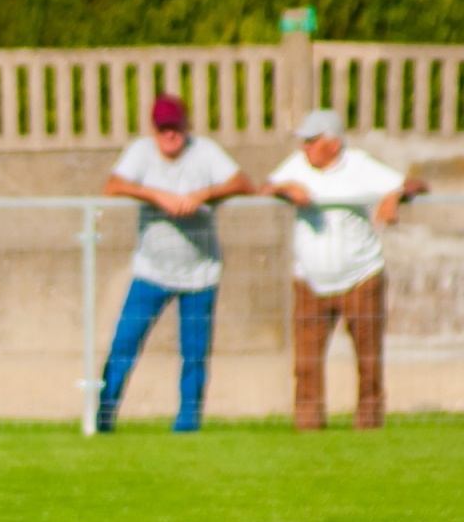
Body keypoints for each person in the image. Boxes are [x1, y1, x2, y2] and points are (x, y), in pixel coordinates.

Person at [263, 109, 428, 430]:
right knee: (306, 364)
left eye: (312, 142)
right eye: (305, 142)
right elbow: (265, 187)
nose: (305, 148)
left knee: (368, 360)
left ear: (334, 144)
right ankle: (309, 427)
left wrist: (395, 195)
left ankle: (368, 426)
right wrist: (286, 189)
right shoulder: (297, 167)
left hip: (361, 278)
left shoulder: (360, 164)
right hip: (310, 281)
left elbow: (415, 184)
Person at [97, 94, 253, 432]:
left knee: (194, 355)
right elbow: (113, 186)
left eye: (175, 128)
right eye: (163, 129)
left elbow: (242, 183)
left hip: (200, 274)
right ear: (153, 130)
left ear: (186, 127)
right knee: (123, 345)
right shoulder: (140, 152)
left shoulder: (205, 151)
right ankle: (102, 420)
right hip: (150, 272)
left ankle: (187, 425)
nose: (170, 135)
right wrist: (159, 195)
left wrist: (200, 196)